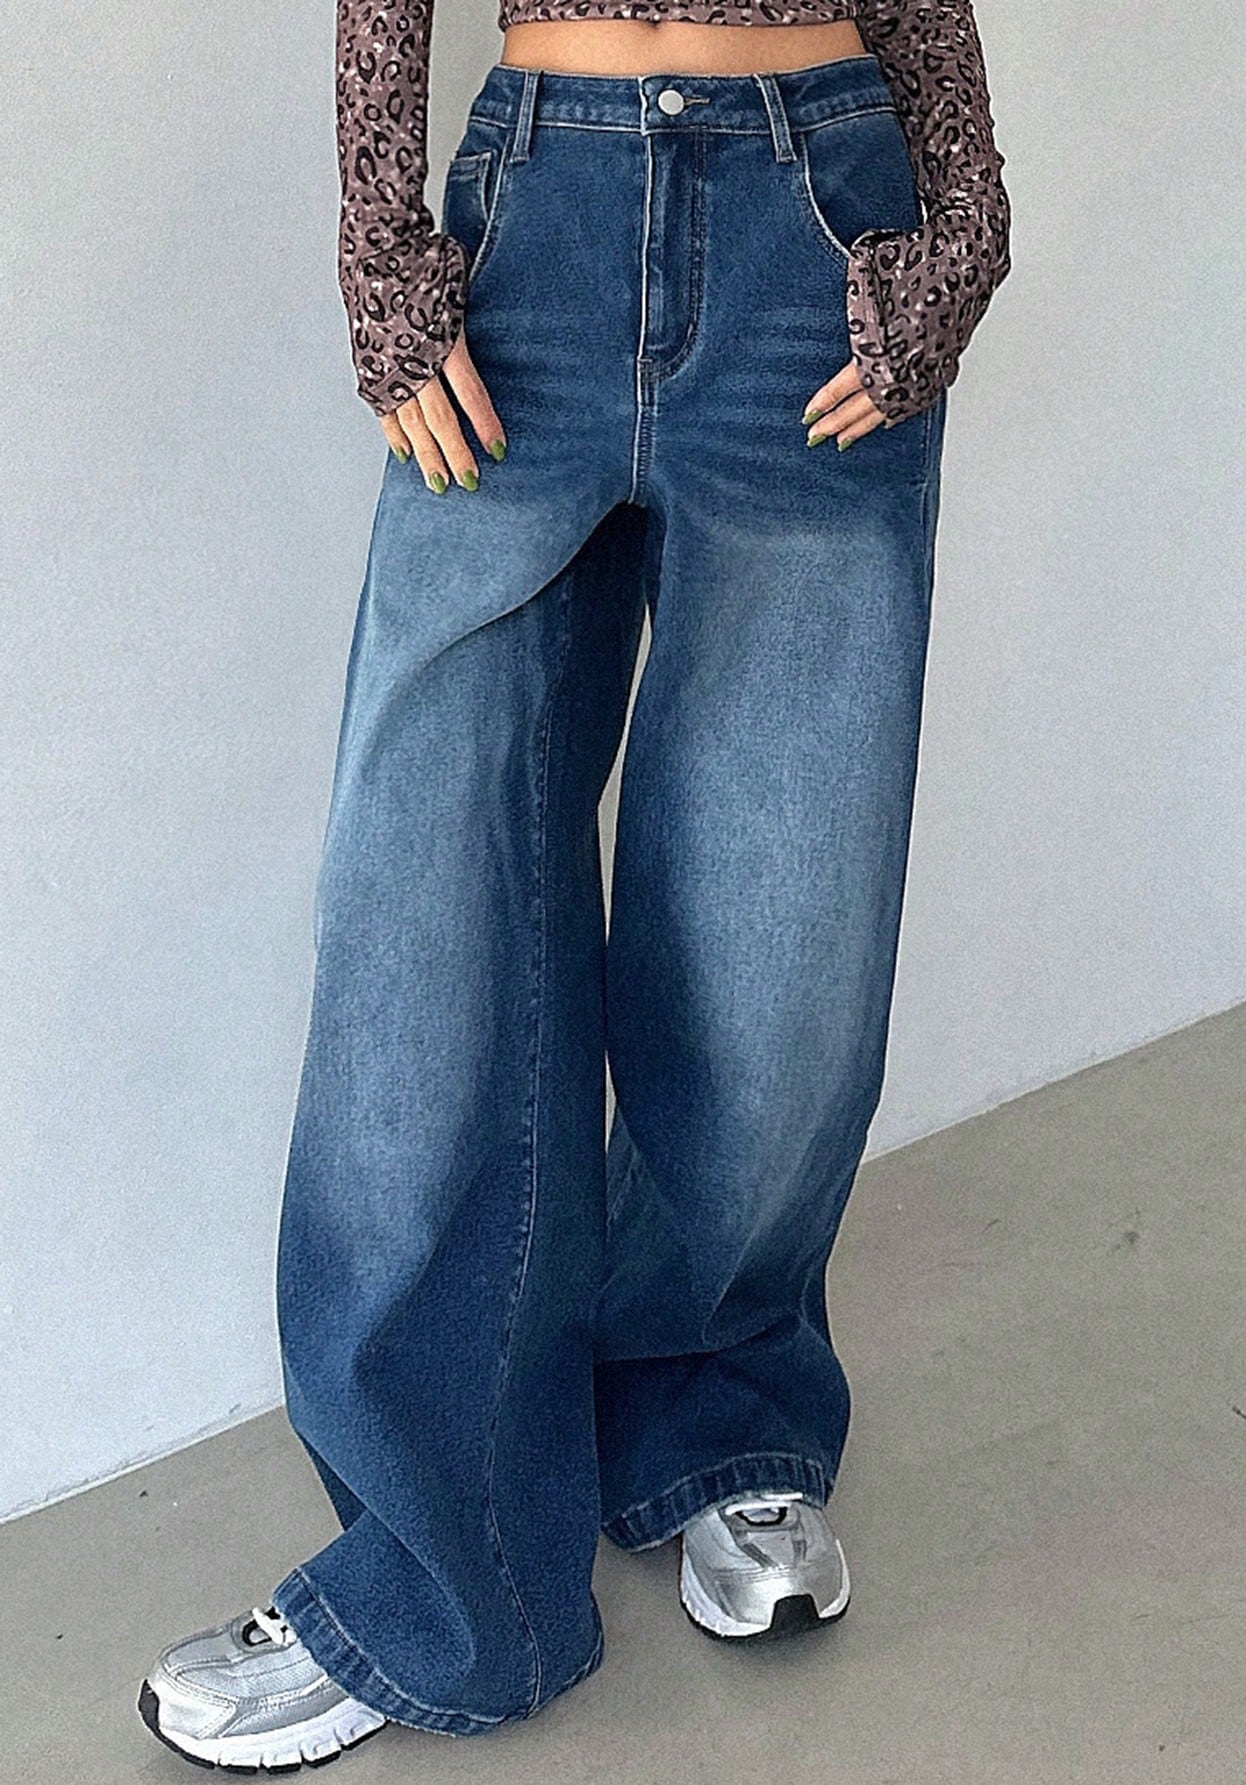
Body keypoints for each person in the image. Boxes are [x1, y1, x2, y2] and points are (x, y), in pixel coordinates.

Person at [137, 0, 1011, 1771]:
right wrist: (383, 250)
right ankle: (437, 1574)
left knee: (782, 919)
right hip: (534, 227)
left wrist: (964, 224)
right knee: (423, 914)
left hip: (821, 232)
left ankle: (718, 1413)